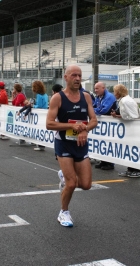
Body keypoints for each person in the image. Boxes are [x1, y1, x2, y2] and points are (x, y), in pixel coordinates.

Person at [46, 64, 97, 227]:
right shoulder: (58, 98)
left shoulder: (86, 96)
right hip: (64, 145)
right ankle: (64, 212)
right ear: (66, 77)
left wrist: (85, 130)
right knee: (72, 183)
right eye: (73, 75)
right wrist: (71, 126)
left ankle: (63, 175)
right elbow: (49, 124)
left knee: (86, 185)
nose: (77, 78)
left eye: (79, 75)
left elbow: (94, 120)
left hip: (81, 145)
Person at [111, 84, 140, 178]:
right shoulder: (125, 100)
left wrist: (119, 116)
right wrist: (117, 116)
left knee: (134, 150)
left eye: (115, 92)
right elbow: (129, 115)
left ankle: (136, 170)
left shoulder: (125, 101)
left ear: (118, 92)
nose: (114, 94)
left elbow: (133, 116)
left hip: (134, 129)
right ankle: (131, 169)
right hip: (131, 128)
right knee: (130, 150)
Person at [93, 82, 116, 170]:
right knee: (101, 142)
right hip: (102, 124)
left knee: (109, 142)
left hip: (110, 123)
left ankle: (110, 163)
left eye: (97, 88)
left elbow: (104, 110)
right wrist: (94, 109)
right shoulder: (98, 97)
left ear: (103, 88)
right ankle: (103, 161)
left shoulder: (109, 96)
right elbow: (94, 106)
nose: (95, 90)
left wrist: (93, 110)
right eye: (95, 88)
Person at [31, 80, 49, 151]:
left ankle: (40, 144)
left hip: (40, 114)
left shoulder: (38, 95)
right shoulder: (45, 95)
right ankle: (41, 144)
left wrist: (33, 105)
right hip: (44, 113)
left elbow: (39, 106)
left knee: (39, 129)